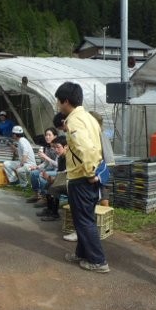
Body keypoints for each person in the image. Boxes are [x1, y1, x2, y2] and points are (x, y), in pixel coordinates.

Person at [55, 81, 109, 273]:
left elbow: (85, 148)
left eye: (58, 102)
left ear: (66, 101)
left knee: (84, 220)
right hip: (87, 175)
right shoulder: (88, 117)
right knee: (83, 218)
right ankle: (82, 253)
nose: (57, 105)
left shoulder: (74, 121)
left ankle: (98, 261)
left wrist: (90, 172)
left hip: (82, 177)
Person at [36, 135, 68, 222]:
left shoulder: (69, 158)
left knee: (54, 188)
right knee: (48, 184)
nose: (56, 150)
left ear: (66, 146)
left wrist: (52, 179)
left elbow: (65, 176)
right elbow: (60, 175)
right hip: (65, 181)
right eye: (55, 148)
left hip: (72, 183)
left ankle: (55, 214)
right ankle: (50, 209)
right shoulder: (61, 158)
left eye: (58, 147)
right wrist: (49, 178)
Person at [89, 111, 116, 207]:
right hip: (101, 167)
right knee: (101, 193)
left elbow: (106, 155)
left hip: (102, 167)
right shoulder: (97, 134)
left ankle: (104, 216)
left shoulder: (100, 134)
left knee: (102, 194)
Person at [27, 127, 58, 204]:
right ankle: (37, 194)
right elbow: (46, 163)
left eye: (49, 135)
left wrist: (45, 157)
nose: (47, 137)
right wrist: (37, 167)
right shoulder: (47, 147)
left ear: (55, 136)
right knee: (33, 173)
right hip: (50, 168)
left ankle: (45, 197)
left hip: (57, 170)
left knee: (42, 174)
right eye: (46, 135)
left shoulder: (58, 147)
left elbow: (57, 164)